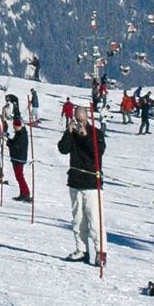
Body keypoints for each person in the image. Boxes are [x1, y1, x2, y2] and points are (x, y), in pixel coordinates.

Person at [58, 105, 106, 265]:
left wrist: (86, 136)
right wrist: (68, 132)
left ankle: (101, 252)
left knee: (95, 220)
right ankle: (82, 250)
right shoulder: (72, 134)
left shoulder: (95, 133)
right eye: (76, 120)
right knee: (78, 219)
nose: (79, 123)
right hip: (75, 181)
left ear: (86, 118)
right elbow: (63, 149)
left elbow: (98, 153)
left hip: (92, 183)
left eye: (81, 120)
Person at [7, 117, 31, 202]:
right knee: (19, 177)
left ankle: (26, 193)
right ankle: (22, 194)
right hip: (17, 158)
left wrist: (8, 142)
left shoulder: (22, 134)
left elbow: (16, 146)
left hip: (19, 158)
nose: (14, 128)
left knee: (20, 177)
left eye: (15, 126)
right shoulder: (19, 133)